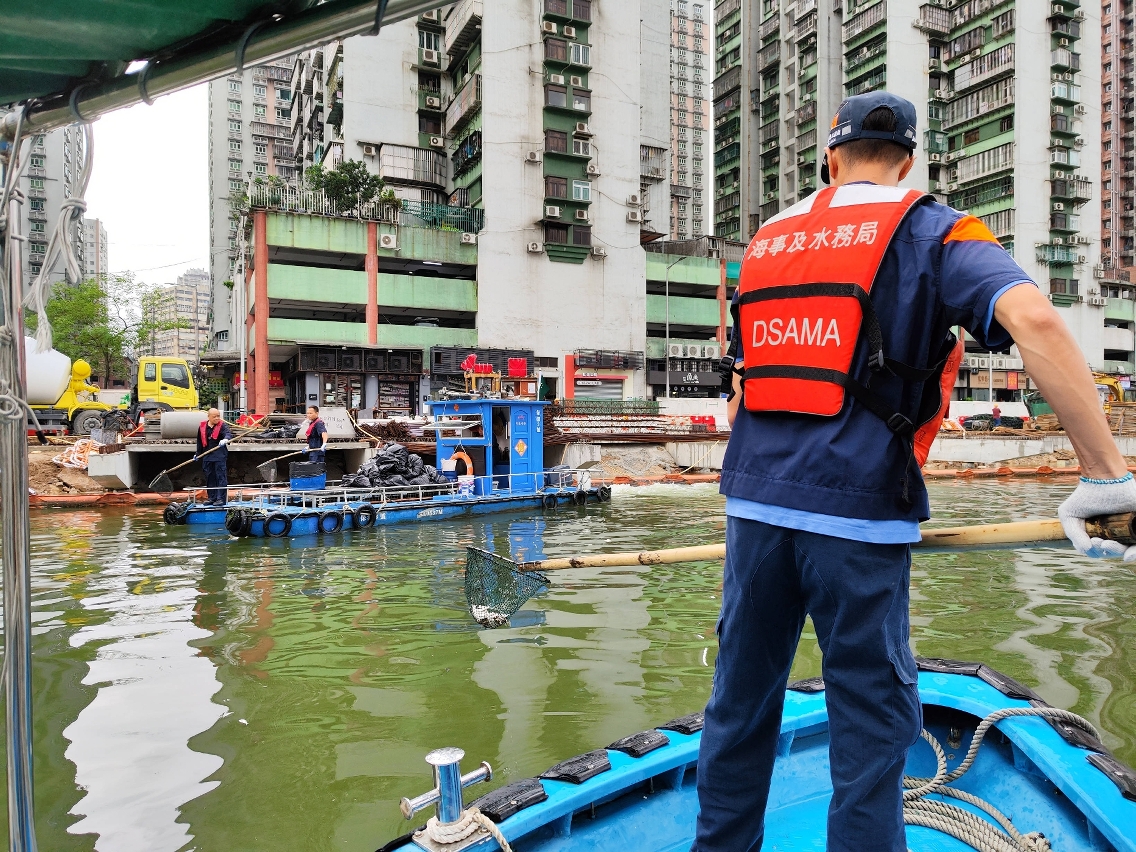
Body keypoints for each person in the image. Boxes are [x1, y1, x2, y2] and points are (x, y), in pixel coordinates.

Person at [698, 91, 1136, 852]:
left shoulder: (767, 239)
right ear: (907, 162)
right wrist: (1107, 477)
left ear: (829, 160)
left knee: (739, 704)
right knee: (869, 719)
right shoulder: (935, 229)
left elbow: (743, 386)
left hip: (754, 509)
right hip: (858, 516)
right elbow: (1034, 318)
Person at [195, 408, 232, 506]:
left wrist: (225, 439)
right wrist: (197, 454)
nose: (217, 418)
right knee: (209, 477)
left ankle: (221, 499)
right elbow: (199, 442)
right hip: (207, 456)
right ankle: (212, 498)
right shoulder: (202, 427)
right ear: (209, 417)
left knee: (221, 477)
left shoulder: (222, 425)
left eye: (218, 416)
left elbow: (228, 434)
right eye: (214, 416)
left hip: (219, 456)